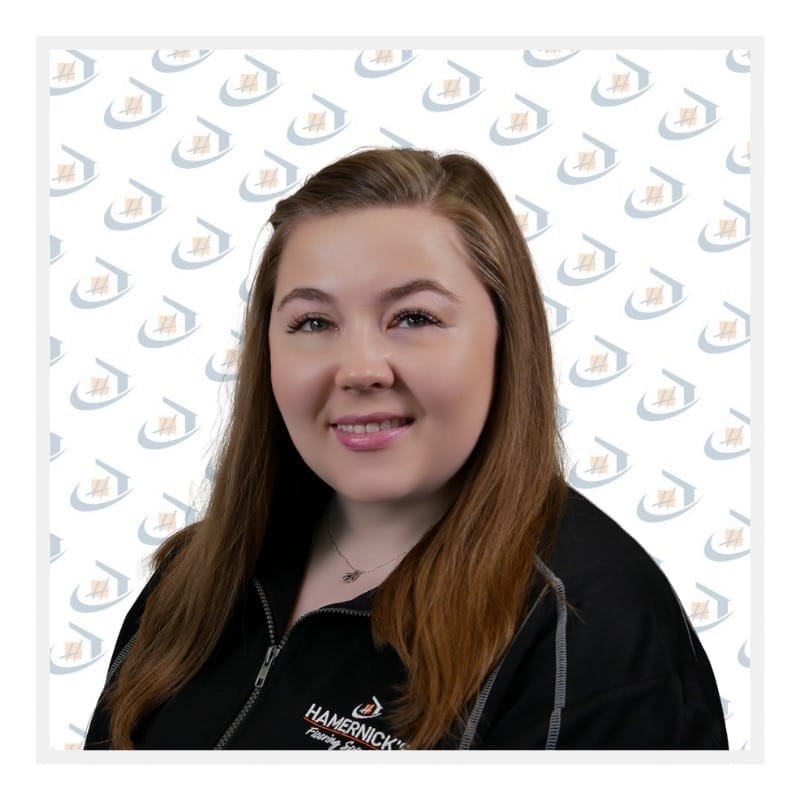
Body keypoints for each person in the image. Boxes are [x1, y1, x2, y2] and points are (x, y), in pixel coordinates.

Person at [83, 147, 728, 750]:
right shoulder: (196, 577)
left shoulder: (587, 624)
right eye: (314, 321)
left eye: (415, 318)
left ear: (506, 338)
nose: (360, 369)